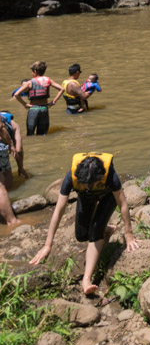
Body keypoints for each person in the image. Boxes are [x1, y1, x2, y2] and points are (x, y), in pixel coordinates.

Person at [29, 151, 139, 295]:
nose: (87, 186)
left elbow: (122, 204)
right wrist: (47, 245)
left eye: (90, 184)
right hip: (86, 197)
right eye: (84, 184)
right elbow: (58, 211)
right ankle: (106, 229)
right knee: (81, 235)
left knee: (95, 232)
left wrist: (128, 233)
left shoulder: (110, 175)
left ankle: (86, 280)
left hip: (108, 196)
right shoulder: (71, 177)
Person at [13, 61, 64, 135]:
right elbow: (62, 89)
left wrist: (25, 104)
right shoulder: (49, 80)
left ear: (35, 71)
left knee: (30, 134)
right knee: (43, 134)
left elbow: (16, 94)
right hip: (44, 109)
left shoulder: (30, 82)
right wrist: (53, 102)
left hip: (33, 109)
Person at [0, 110, 27, 183]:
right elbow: (19, 150)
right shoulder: (13, 124)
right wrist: (20, 167)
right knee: (7, 178)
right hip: (1, 146)